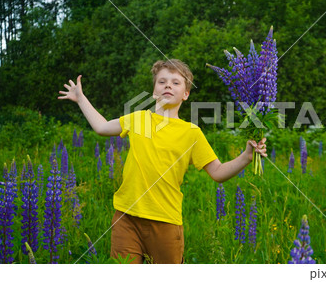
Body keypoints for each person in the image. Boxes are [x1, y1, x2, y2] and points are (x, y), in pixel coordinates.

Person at [58, 59, 267, 264]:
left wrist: (246, 156)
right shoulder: (138, 118)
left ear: (186, 94)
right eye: (162, 81)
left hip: (165, 222)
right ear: (154, 91)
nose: (168, 85)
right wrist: (80, 98)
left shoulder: (191, 133)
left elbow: (218, 172)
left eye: (176, 82)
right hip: (126, 217)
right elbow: (102, 127)